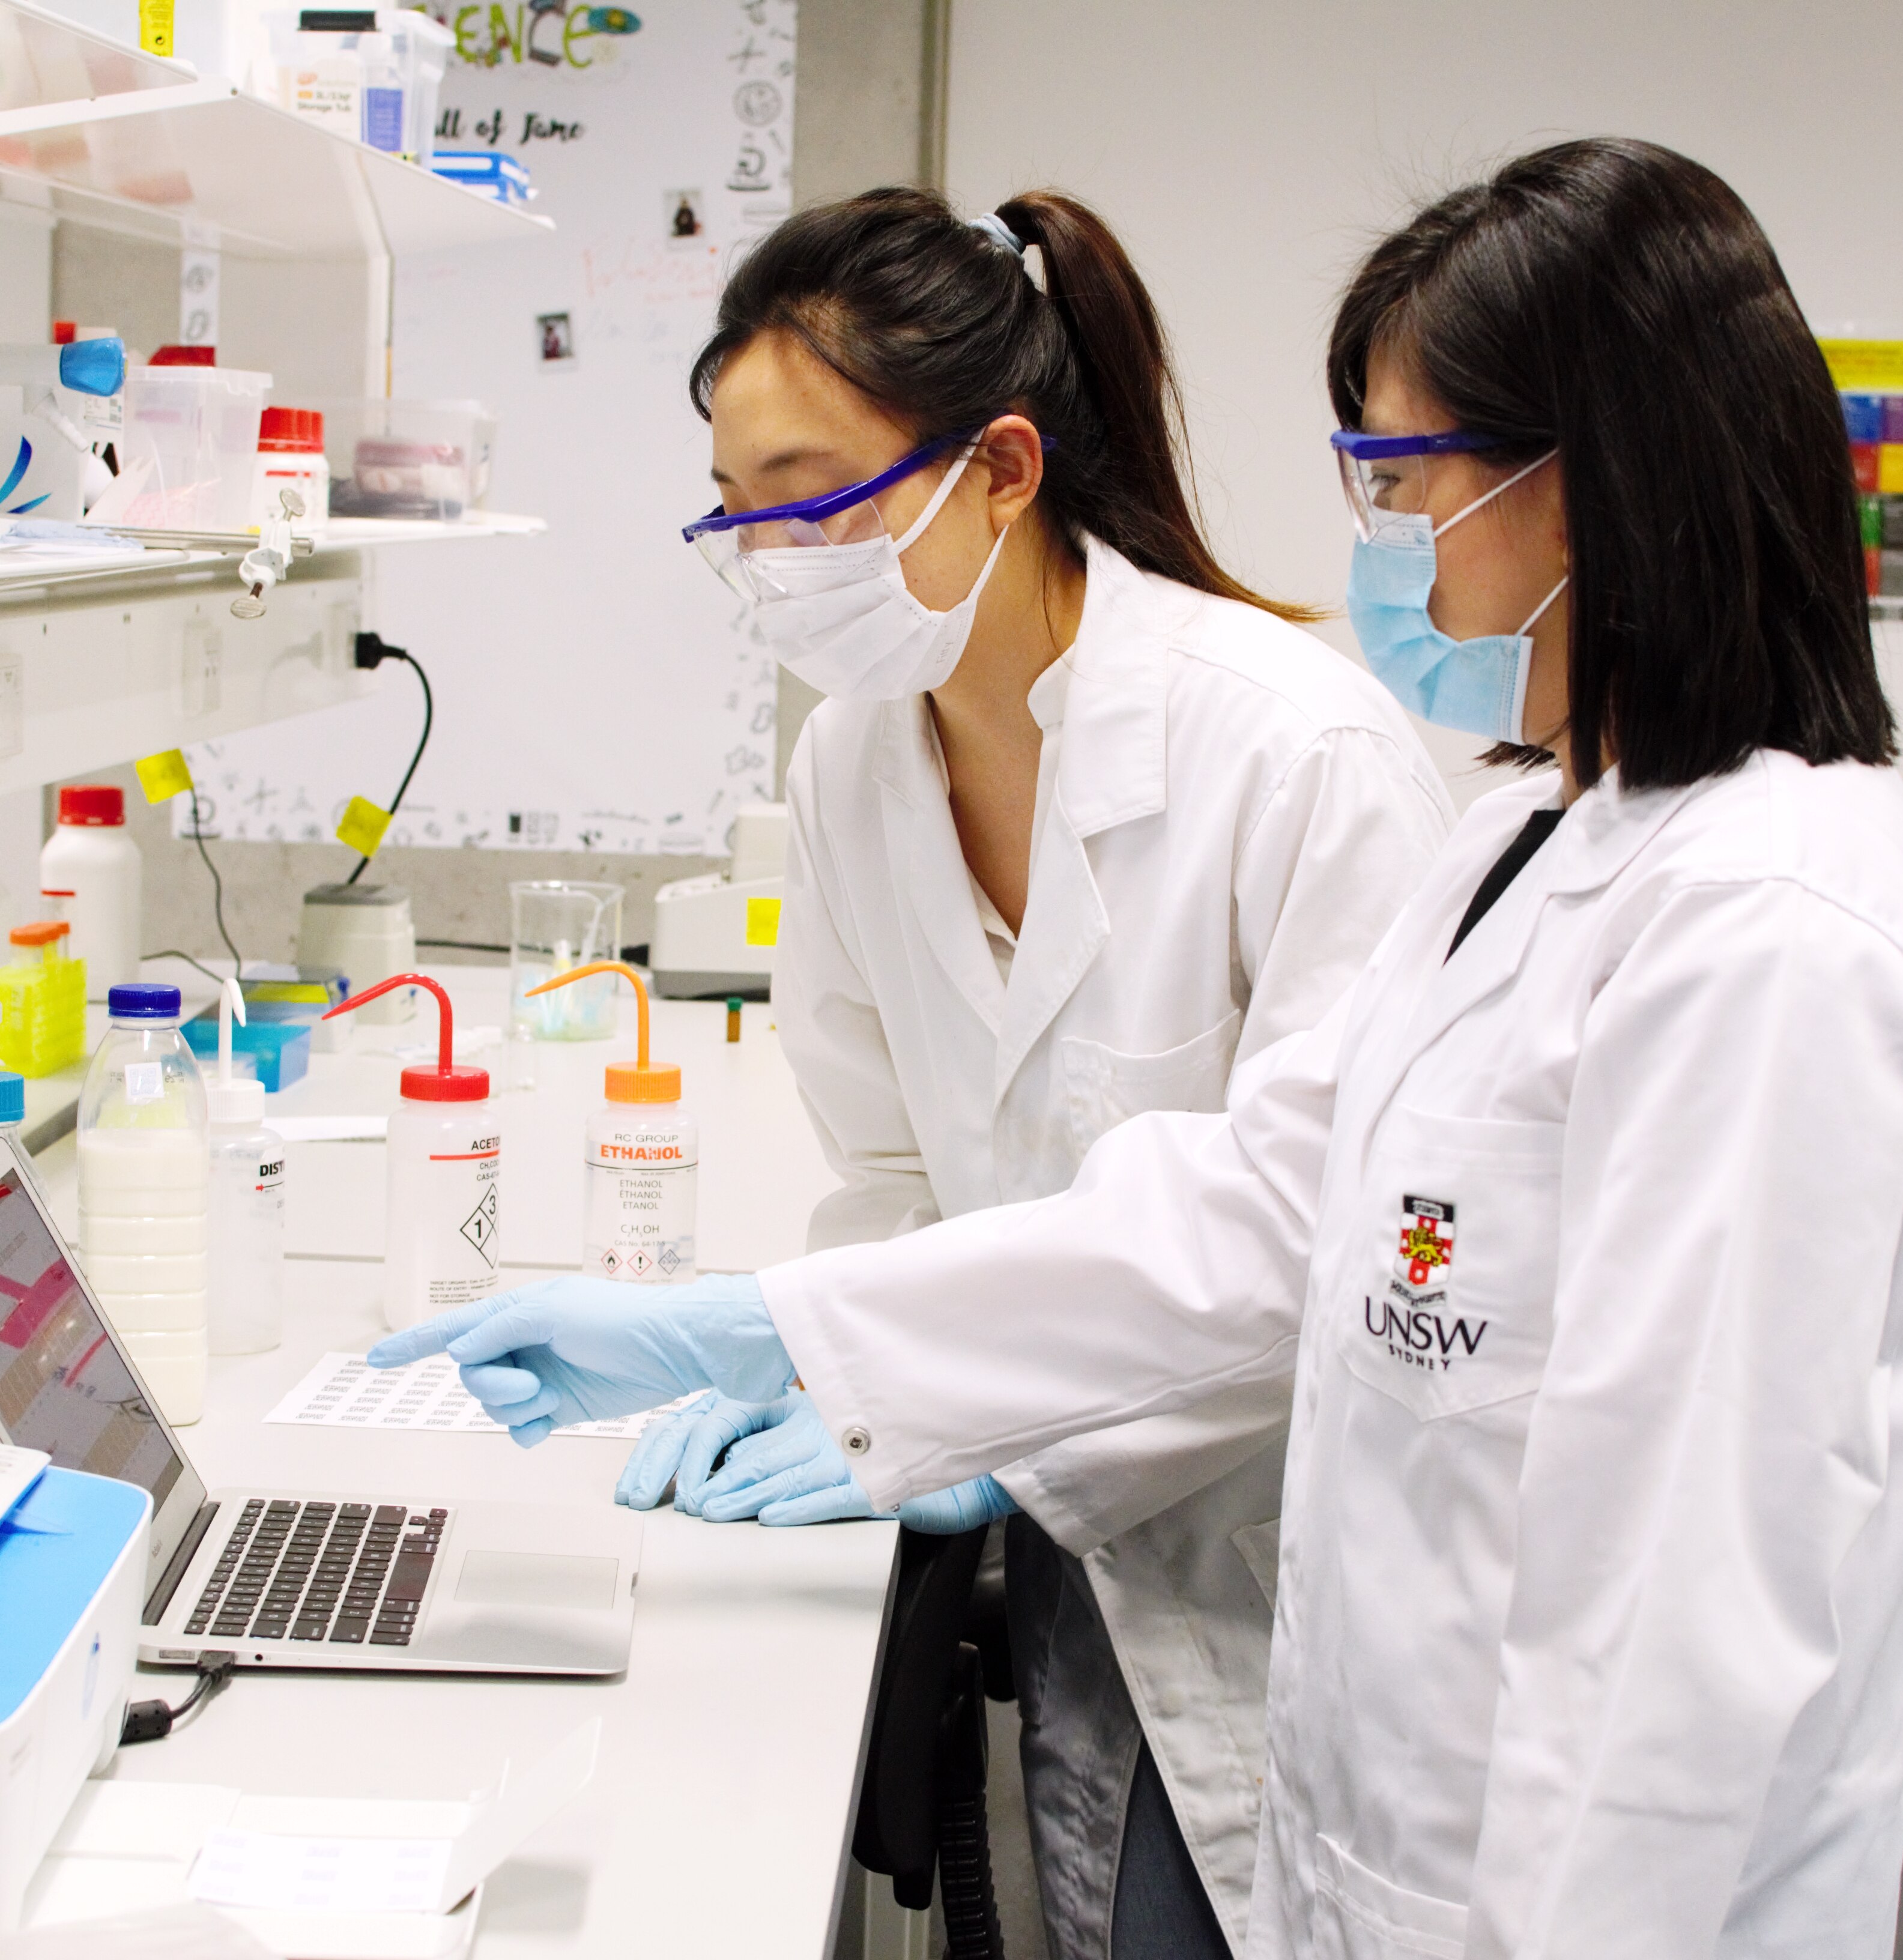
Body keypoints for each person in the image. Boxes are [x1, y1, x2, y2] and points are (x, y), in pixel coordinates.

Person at [377, 136, 1903, 1960]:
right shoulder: (1537, 843)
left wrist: (870, 1370)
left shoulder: (1774, 939)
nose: (1381, 547)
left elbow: (1679, 1645)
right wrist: (792, 1332)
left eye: (1403, 481)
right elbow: (1259, 1214)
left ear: (1594, 485)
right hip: (1378, 1807)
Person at [633, 186, 1452, 1960]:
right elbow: (891, 1166)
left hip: (1285, 1558)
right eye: (738, 511)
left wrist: (971, 1414)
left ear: (1001, 469)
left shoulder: (1298, 757)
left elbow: (1329, 1243)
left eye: (815, 499)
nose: (775, 561)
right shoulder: (855, 765)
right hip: (1074, 1547)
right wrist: (854, 1372)